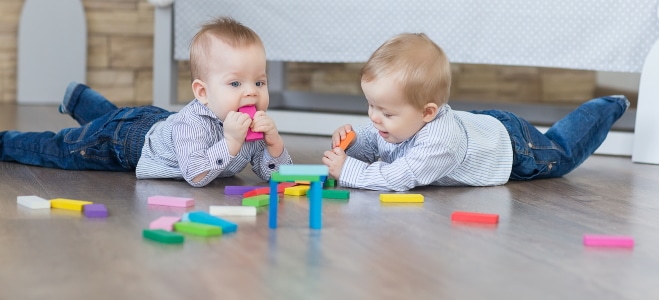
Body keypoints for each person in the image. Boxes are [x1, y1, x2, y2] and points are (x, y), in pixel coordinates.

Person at [0, 17, 292, 187]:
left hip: (154, 122)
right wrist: (229, 142)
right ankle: (6, 142)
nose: (252, 92)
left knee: (116, 117)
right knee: (65, 148)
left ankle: (79, 99)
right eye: (235, 83)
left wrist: (274, 144)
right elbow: (196, 175)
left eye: (259, 82)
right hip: (126, 143)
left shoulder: (252, 126)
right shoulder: (193, 124)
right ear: (202, 93)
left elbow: (271, 175)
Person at [322, 33, 629, 192]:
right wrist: (352, 144)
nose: (374, 118)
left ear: (427, 112)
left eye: (385, 113)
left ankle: (607, 106)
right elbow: (377, 143)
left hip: (512, 148)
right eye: (371, 105)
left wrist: (348, 170)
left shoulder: (438, 144)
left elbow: (398, 178)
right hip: (477, 127)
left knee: (561, 152)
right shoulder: (402, 119)